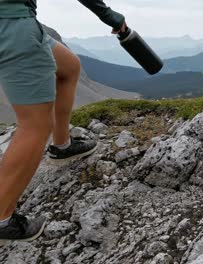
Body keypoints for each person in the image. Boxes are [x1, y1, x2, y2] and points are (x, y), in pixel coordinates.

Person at [0, 0, 127, 244]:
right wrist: (110, 16)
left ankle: (62, 146)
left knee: (68, 66)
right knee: (35, 126)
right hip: (13, 24)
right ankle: (3, 219)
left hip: (15, 21)